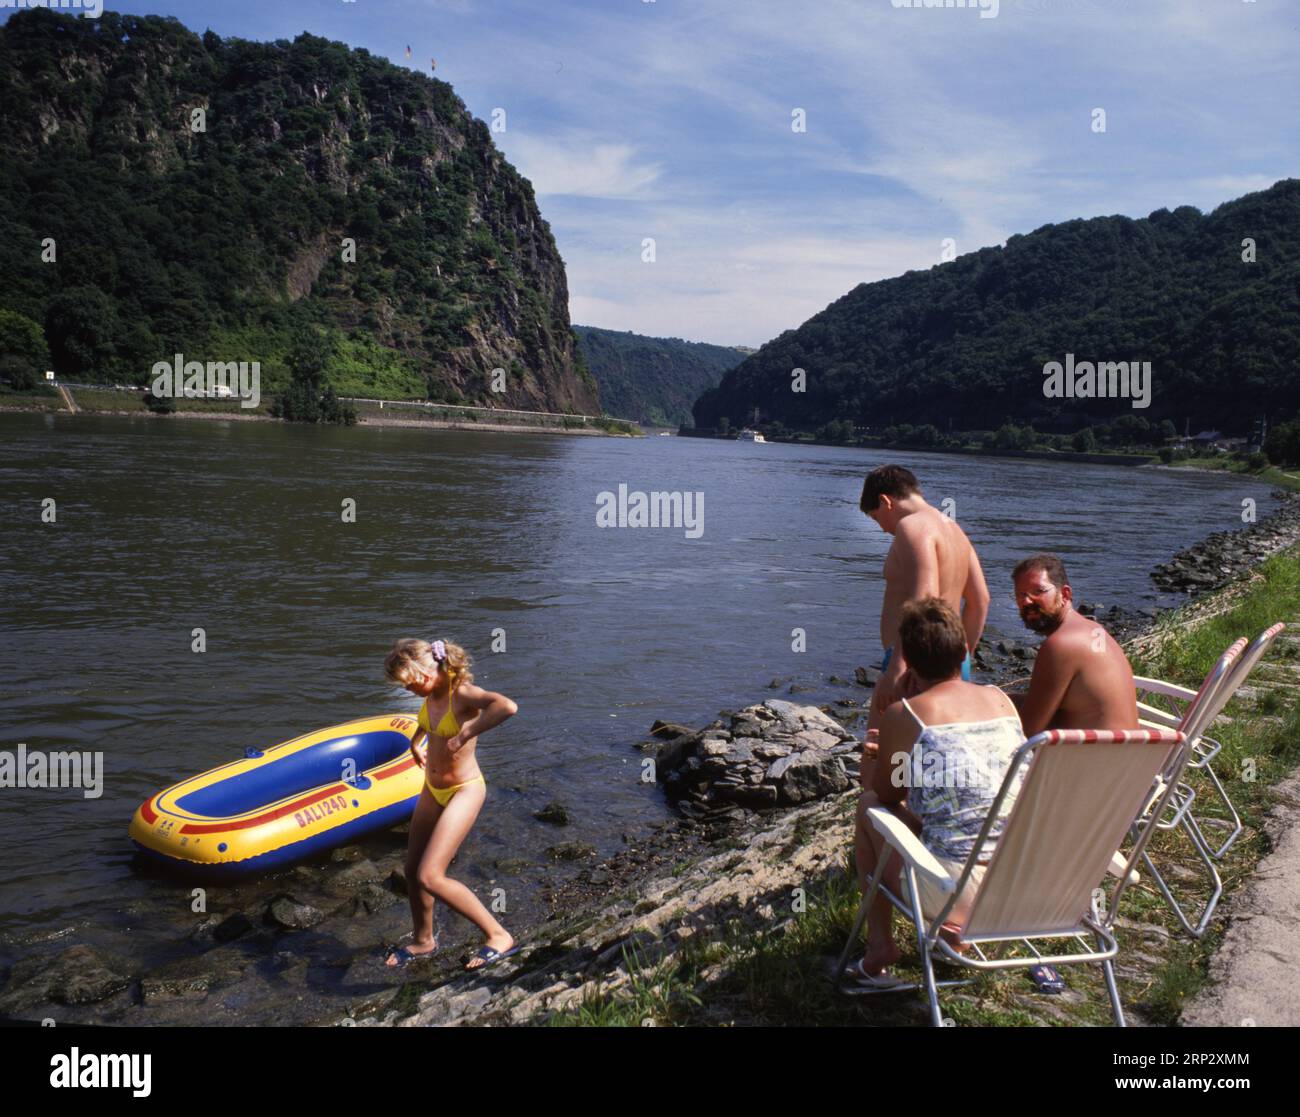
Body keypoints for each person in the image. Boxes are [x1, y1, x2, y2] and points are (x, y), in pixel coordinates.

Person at [849, 597, 1026, 987]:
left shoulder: (906, 714)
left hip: (955, 896)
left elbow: (886, 795)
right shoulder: (1001, 700)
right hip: (1024, 884)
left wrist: (878, 748)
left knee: (867, 808)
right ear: (964, 651)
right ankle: (949, 940)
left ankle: (880, 948)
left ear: (908, 661)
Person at [381, 637, 520, 971]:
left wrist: (468, 731)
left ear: (432, 669)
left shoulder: (463, 693)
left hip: (464, 789)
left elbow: (506, 706)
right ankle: (423, 941)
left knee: (430, 875)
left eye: (413, 683)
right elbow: (428, 721)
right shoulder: (430, 695)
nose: (411, 691)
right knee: (413, 871)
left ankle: (498, 935)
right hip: (433, 788)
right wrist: (417, 742)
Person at [860, 465, 990, 731]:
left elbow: (924, 601)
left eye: (876, 519)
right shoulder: (954, 529)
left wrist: (897, 667)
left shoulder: (911, 527)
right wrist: (963, 658)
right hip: (952, 661)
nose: (884, 530)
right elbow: (980, 600)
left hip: (914, 662)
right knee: (937, 751)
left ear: (886, 501)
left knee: (879, 752)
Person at [1010, 554, 1139, 736]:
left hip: (1088, 760)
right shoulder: (1095, 631)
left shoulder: (1060, 645)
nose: (1026, 601)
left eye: (1038, 591)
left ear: (1065, 594)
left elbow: (1026, 732)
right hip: (1129, 756)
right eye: (1020, 595)